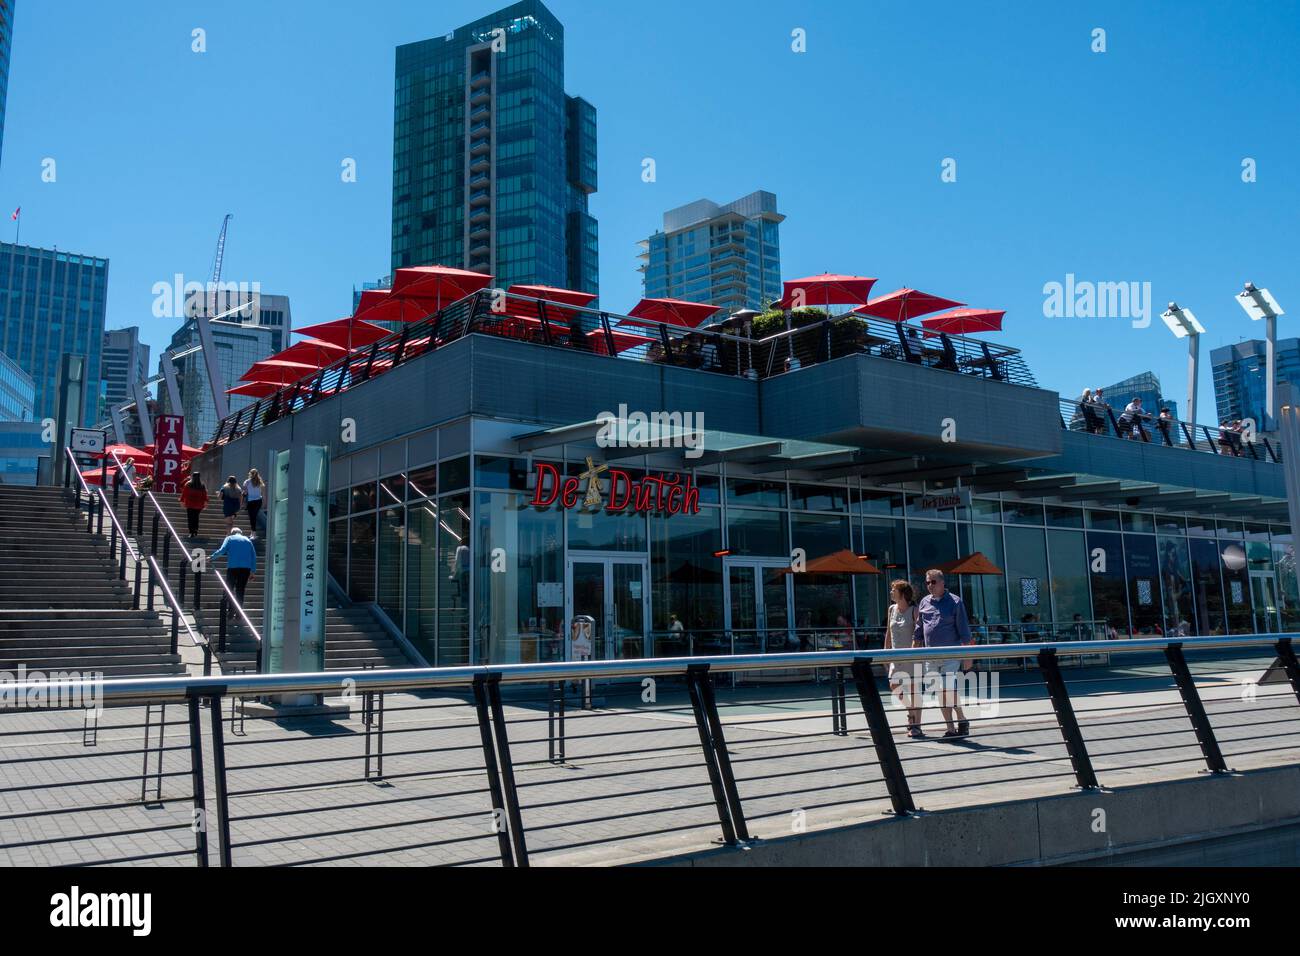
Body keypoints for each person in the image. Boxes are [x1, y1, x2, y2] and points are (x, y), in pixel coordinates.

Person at [915, 569, 974, 738]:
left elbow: (964, 632)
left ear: (942, 582)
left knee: (946, 689)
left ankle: (958, 722)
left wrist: (968, 658)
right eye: (927, 582)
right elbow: (919, 628)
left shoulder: (955, 602)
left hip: (951, 654)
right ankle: (954, 726)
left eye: (933, 582)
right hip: (930, 655)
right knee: (941, 691)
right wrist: (914, 647)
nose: (929, 586)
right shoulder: (924, 602)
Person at [885, 579, 923, 738]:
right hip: (895, 656)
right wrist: (885, 653)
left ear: (902, 593)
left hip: (912, 656)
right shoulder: (891, 609)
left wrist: (917, 650)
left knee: (914, 690)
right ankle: (910, 712)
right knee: (894, 685)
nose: (891, 592)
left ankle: (916, 725)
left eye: (894, 589)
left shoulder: (914, 610)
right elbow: (888, 632)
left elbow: (920, 634)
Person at [211, 526, 256, 603]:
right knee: (240, 590)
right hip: (245, 569)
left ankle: (227, 609)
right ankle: (238, 612)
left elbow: (222, 551)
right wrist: (252, 571)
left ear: (231, 533)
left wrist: (211, 557)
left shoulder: (229, 538)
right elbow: (253, 556)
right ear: (241, 533)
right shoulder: (248, 540)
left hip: (233, 567)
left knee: (229, 588)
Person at [178, 472, 209, 538]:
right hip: (198, 505)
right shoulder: (202, 485)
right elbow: (205, 496)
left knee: (190, 518)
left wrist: (181, 501)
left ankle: (191, 532)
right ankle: (195, 531)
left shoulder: (188, 484)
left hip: (190, 504)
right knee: (196, 518)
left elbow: (184, 493)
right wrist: (205, 503)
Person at [242, 468, 265, 539]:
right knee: (253, 517)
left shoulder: (247, 482)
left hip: (251, 501)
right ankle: (252, 533)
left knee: (252, 517)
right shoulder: (260, 482)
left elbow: (245, 492)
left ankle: (253, 534)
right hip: (258, 501)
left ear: (250, 474)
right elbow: (263, 493)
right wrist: (264, 502)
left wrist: (242, 497)